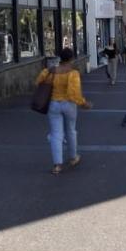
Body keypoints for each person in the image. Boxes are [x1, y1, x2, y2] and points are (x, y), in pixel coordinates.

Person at [35, 47, 91, 175]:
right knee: (71, 130)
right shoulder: (73, 73)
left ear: (60, 58)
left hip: (53, 104)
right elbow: (74, 92)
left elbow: (38, 82)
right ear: (71, 58)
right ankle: (73, 157)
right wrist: (83, 103)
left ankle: (57, 165)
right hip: (69, 105)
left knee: (56, 134)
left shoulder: (50, 71)